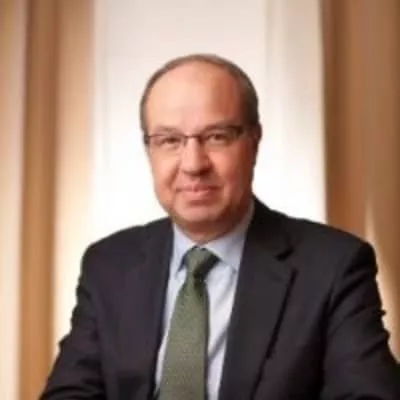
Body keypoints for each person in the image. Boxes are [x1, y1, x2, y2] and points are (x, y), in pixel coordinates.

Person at [41, 54, 399, 400]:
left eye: (216, 136)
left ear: (254, 142)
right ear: (149, 151)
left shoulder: (333, 267)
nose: (193, 164)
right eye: (170, 140)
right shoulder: (109, 264)